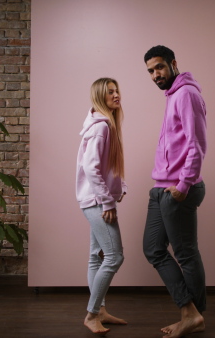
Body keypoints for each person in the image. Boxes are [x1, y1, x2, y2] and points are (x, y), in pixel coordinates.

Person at [142, 45, 208, 338]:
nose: (155, 75)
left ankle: (192, 316)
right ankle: (191, 313)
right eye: (150, 71)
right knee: (153, 248)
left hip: (178, 188)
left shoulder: (187, 94)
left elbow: (196, 144)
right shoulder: (172, 96)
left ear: (173, 64)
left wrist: (183, 185)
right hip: (161, 187)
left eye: (159, 67)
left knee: (185, 253)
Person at [76, 77, 128, 336]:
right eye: (110, 92)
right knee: (114, 256)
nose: (116, 95)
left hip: (94, 198)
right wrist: (108, 200)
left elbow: (107, 167)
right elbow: (91, 167)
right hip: (97, 201)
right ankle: (92, 314)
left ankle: (101, 309)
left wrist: (120, 187)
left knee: (96, 257)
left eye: (117, 90)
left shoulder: (104, 124)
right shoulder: (101, 127)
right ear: (100, 97)